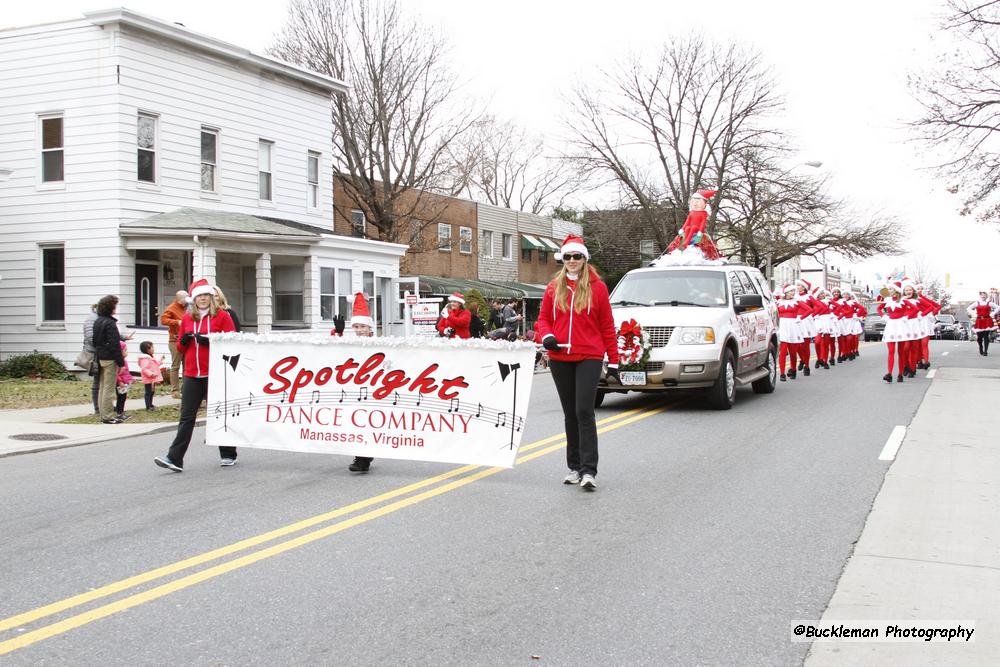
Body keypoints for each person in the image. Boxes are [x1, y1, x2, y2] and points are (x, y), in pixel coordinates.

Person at [536, 235, 619, 492]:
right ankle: (573, 467)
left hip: (589, 356)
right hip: (560, 357)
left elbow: (606, 325)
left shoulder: (598, 288)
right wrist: (547, 336)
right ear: (563, 259)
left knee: (584, 410)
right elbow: (542, 320)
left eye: (577, 257)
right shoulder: (553, 287)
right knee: (570, 413)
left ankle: (588, 470)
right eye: (568, 257)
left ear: (584, 259)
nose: (572, 261)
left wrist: (613, 360)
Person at [154, 278, 237, 472]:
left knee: (220, 414)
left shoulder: (222, 316)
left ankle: (228, 453)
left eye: (206, 296)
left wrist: (212, 341)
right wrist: (182, 340)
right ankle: (174, 458)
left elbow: (232, 340)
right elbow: (181, 348)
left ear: (211, 298)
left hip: (215, 373)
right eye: (199, 296)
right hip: (192, 374)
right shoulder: (187, 319)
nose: (203, 299)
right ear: (194, 299)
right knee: (186, 417)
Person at [345, 293, 378, 473]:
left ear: (369, 327)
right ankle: (362, 456)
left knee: (367, 423)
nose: (359, 330)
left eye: (362, 326)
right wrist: (339, 333)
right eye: (356, 326)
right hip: (354, 389)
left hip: (372, 390)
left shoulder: (379, 343)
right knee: (357, 423)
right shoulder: (351, 343)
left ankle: (363, 457)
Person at [92, 295, 125, 424]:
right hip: (110, 358)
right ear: (110, 307)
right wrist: (120, 362)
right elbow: (114, 344)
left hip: (101, 357)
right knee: (109, 388)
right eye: (114, 305)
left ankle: (103, 413)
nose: (115, 308)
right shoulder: (110, 323)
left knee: (102, 386)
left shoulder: (98, 321)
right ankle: (108, 415)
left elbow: (95, 341)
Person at [663, 189, 722, 261]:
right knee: (688, 228)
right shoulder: (692, 212)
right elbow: (687, 221)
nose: (695, 203)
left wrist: (700, 231)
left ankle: (687, 243)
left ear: (704, 204)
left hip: (697, 230)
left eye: (697, 202)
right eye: (693, 201)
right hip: (689, 229)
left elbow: (703, 222)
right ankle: (684, 244)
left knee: (693, 227)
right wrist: (683, 228)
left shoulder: (704, 213)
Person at [878, 281, 910, 383]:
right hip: (891, 326)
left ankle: (900, 374)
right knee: (891, 351)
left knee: (901, 352)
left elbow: (914, 309)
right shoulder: (887, 300)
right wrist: (884, 316)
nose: (889, 291)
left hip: (901, 326)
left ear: (896, 290)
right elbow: (879, 309)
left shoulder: (903, 301)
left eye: (891, 289)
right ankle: (889, 374)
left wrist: (906, 317)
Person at [160, 290, 189, 399]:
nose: (187, 300)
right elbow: (163, 320)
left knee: (186, 365)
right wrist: (176, 322)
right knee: (175, 366)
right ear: (179, 299)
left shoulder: (186, 308)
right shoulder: (172, 308)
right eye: (185, 298)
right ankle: (175, 390)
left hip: (185, 340)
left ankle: (186, 388)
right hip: (174, 340)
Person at [776, 284, 805, 381]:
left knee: (793, 352)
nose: (793, 293)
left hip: (793, 327)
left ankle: (793, 369)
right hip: (783, 327)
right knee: (782, 352)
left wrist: (800, 318)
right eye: (791, 291)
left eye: (794, 291)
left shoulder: (796, 301)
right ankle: (782, 374)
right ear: (786, 293)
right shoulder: (778, 302)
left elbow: (809, 310)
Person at [967, 290, 999, 356]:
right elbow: (969, 308)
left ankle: (985, 351)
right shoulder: (977, 303)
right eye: (982, 295)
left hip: (987, 320)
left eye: (984, 295)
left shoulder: (989, 303)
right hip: (979, 321)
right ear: (980, 296)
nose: (983, 296)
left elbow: (998, 307)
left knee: (986, 336)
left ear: (986, 296)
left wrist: (992, 314)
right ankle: (980, 348)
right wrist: (974, 314)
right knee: (979, 337)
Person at [82, 303, 100, 414]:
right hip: (94, 354)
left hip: (101, 352)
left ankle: (102, 405)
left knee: (102, 381)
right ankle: (97, 407)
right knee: (97, 380)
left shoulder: (100, 318)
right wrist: (104, 344)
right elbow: (90, 337)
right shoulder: (91, 319)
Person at [137, 341, 166, 411]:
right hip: (148, 379)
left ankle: (150, 404)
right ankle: (148, 406)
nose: (153, 349)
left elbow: (155, 365)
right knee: (148, 392)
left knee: (152, 392)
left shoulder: (150, 357)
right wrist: (151, 374)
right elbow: (144, 368)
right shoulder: (145, 358)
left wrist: (161, 360)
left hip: (152, 379)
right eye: (152, 347)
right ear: (147, 349)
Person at [116, 341, 134, 420]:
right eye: (125, 350)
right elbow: (116, 373)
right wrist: (119, 381)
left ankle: (121, 412)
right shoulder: (119, 362)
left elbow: (126, 372)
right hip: (121, 383)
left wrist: (131, 379)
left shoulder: (124, 361)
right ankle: (119, 413)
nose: (127, 352)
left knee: (123, 398)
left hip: (125, 382)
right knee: (121, 398)